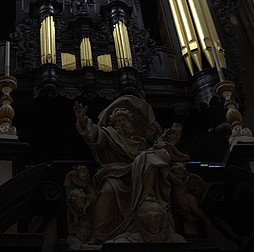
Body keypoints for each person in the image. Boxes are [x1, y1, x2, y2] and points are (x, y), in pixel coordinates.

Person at [73, 96, 188, 242]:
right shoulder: (110, 135)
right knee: (108, 191)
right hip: (116, 174)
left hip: (137, 176)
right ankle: (97, 235)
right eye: (118, 121)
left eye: (124, 120)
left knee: (150, 158)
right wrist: (83, 121)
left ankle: (148, 196)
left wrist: (159, 148)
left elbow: (152, 158)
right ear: (113, 125)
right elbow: (95, 135)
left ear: (130, 122)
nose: (122, 123)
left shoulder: (140, 142)